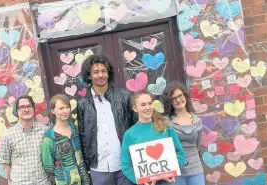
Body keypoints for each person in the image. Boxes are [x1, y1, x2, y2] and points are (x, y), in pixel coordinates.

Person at [77, 54, 136, 185]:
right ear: (89, 76)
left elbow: (135, 127)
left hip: (125, 164)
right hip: (99, 167)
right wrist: (87, 166)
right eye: (96, 72)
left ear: (109, 74)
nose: (100, 75)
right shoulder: (83, 103)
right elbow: (83, 137)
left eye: (104, 71)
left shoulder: (124, 96)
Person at [121, 90, 186, 185]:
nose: (148, 107)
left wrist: (172, 172)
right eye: (143, 105)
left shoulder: (166, 127)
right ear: (135, 108)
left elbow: (179, 153)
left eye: (150, 103)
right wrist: (140, 181)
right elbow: (126, 166)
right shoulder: (129, 134)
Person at [0, 95, 51, 185]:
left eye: (29, 106)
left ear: (33, 109)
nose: (26, 110)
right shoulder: (8, 135)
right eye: (22, 107)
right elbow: (5, 163)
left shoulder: (45, 131)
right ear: (16, 111)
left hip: (42, 182)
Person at [161, 81, 205, 185]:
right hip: (175, 171)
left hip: (196, 170)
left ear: (185, 95)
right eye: (173, 98)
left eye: (180, 96)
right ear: (169, 102)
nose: (178, 100)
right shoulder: (165, 122)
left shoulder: (197, 121)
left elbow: (197, 146)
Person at [41, 94, 90, 185]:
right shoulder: (50, 138)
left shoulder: (75, 129)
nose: (65, 111)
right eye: (61, 108)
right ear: (53, 111)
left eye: (67, 107)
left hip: (84, 179)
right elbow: (48, 166)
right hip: (64, 181)